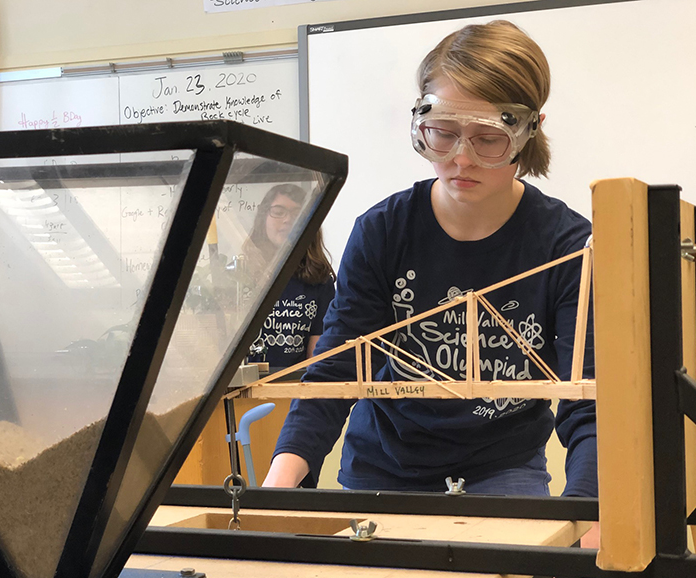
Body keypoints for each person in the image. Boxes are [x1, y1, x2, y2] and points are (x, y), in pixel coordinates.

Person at [263, 19, 597, 507]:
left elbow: (585, 398)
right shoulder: (382, 231)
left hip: (502, 466)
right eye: (442, 133)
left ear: (529, 130)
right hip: (383, 463)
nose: (462, 159)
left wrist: (587, 510)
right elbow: (335, 371)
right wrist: (277, 485)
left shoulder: (566, 244)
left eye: (487, 139)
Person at [244, 183, 336, 370]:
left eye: (297, 214)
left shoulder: (320, 281)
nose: (287, 220)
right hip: (243, 389)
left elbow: (316, 358)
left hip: (292, 388)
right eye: (278, 211)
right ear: (263, 217)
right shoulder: (240, 274)